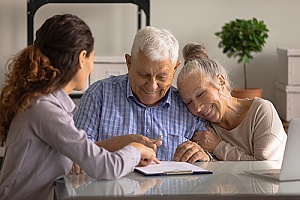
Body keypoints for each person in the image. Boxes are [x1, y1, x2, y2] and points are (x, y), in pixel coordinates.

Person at [0, 14, 159, 200]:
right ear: (82, 58)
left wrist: (128, 144)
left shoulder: (47, 104)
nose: (92, 66)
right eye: (93, 58)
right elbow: (105, 167)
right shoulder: (45, 109)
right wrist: (135, 149)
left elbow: (85, 151)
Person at [74, 26, 210, 163]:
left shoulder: (189, 104)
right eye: (143, 75)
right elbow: (75, 155)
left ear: (175, 68)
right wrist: (121, 145)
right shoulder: (99, 95)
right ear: (129, 63)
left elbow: (211, 157)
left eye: (162, 77)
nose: (152, 86)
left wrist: (205, 157)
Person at [177, 42, 287, 161]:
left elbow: (265, 168)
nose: (197, 108)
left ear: (220, 81)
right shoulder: (202, 127)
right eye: (188, 102)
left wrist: (219, 147)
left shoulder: (260, 111)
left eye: (200, 94)